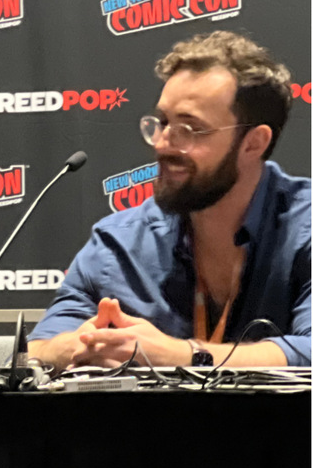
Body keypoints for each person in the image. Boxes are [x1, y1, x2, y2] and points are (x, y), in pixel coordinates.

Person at [29, 31, 310, 371]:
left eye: (190, 129)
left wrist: (184, 356)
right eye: (163, 123)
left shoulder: (303, 228)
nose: (162, 144)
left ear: (253, 143)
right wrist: (86, 344)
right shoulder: (119, 242)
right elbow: (40, 349)